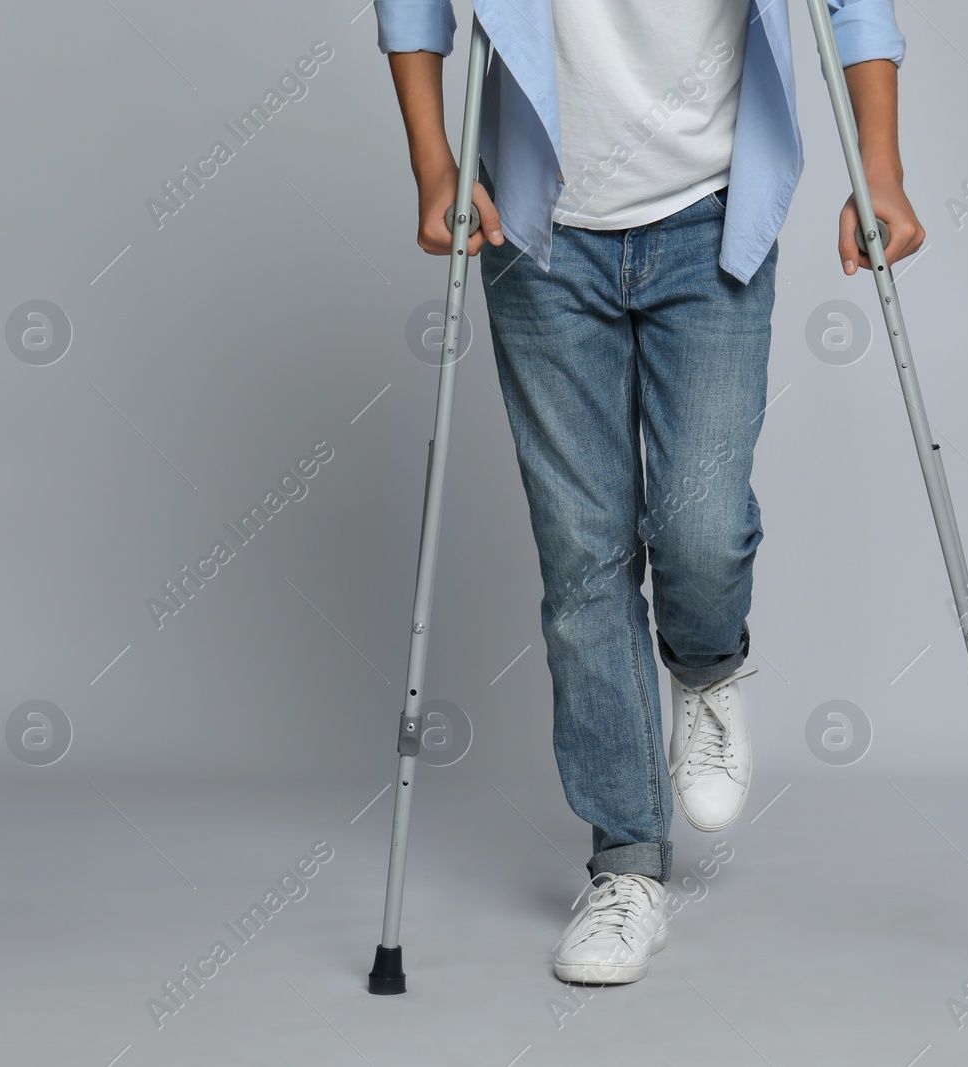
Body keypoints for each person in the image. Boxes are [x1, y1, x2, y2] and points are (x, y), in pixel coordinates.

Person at [374, 0, 924, 985]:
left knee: (701, 532)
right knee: (584, 555)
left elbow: (855, 6)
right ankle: (625, 865)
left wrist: (876, 172)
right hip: (539, 234)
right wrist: (433, 165)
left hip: (710, 215)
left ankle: (707, 667)